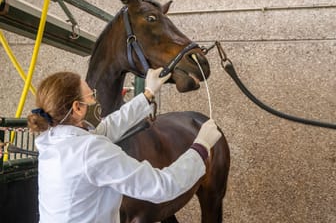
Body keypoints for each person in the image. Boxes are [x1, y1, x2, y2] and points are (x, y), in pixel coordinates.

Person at [28, 67, 222, 223]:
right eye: (91, 96)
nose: (96, 100)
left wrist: (148, 93)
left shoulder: (53, 139)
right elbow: (161, 187)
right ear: (77, 108)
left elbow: (108, 127)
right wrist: (201, 146)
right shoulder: (89, 151)